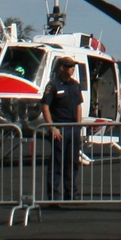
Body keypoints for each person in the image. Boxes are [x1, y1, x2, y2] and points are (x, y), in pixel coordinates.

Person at [41, 58, 86, 202]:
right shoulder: (53, 85)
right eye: (69, 66)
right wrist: (52, 127)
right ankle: (53, 196)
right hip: (59, 127)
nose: (72, 69)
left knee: (72, 162)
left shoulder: (75, 85)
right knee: (57, 162)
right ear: (61, 68)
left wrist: (78, 125)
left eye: (73, 66)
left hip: (73, 127)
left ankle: (71, 194)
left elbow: (79, 105)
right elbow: (45, 107)